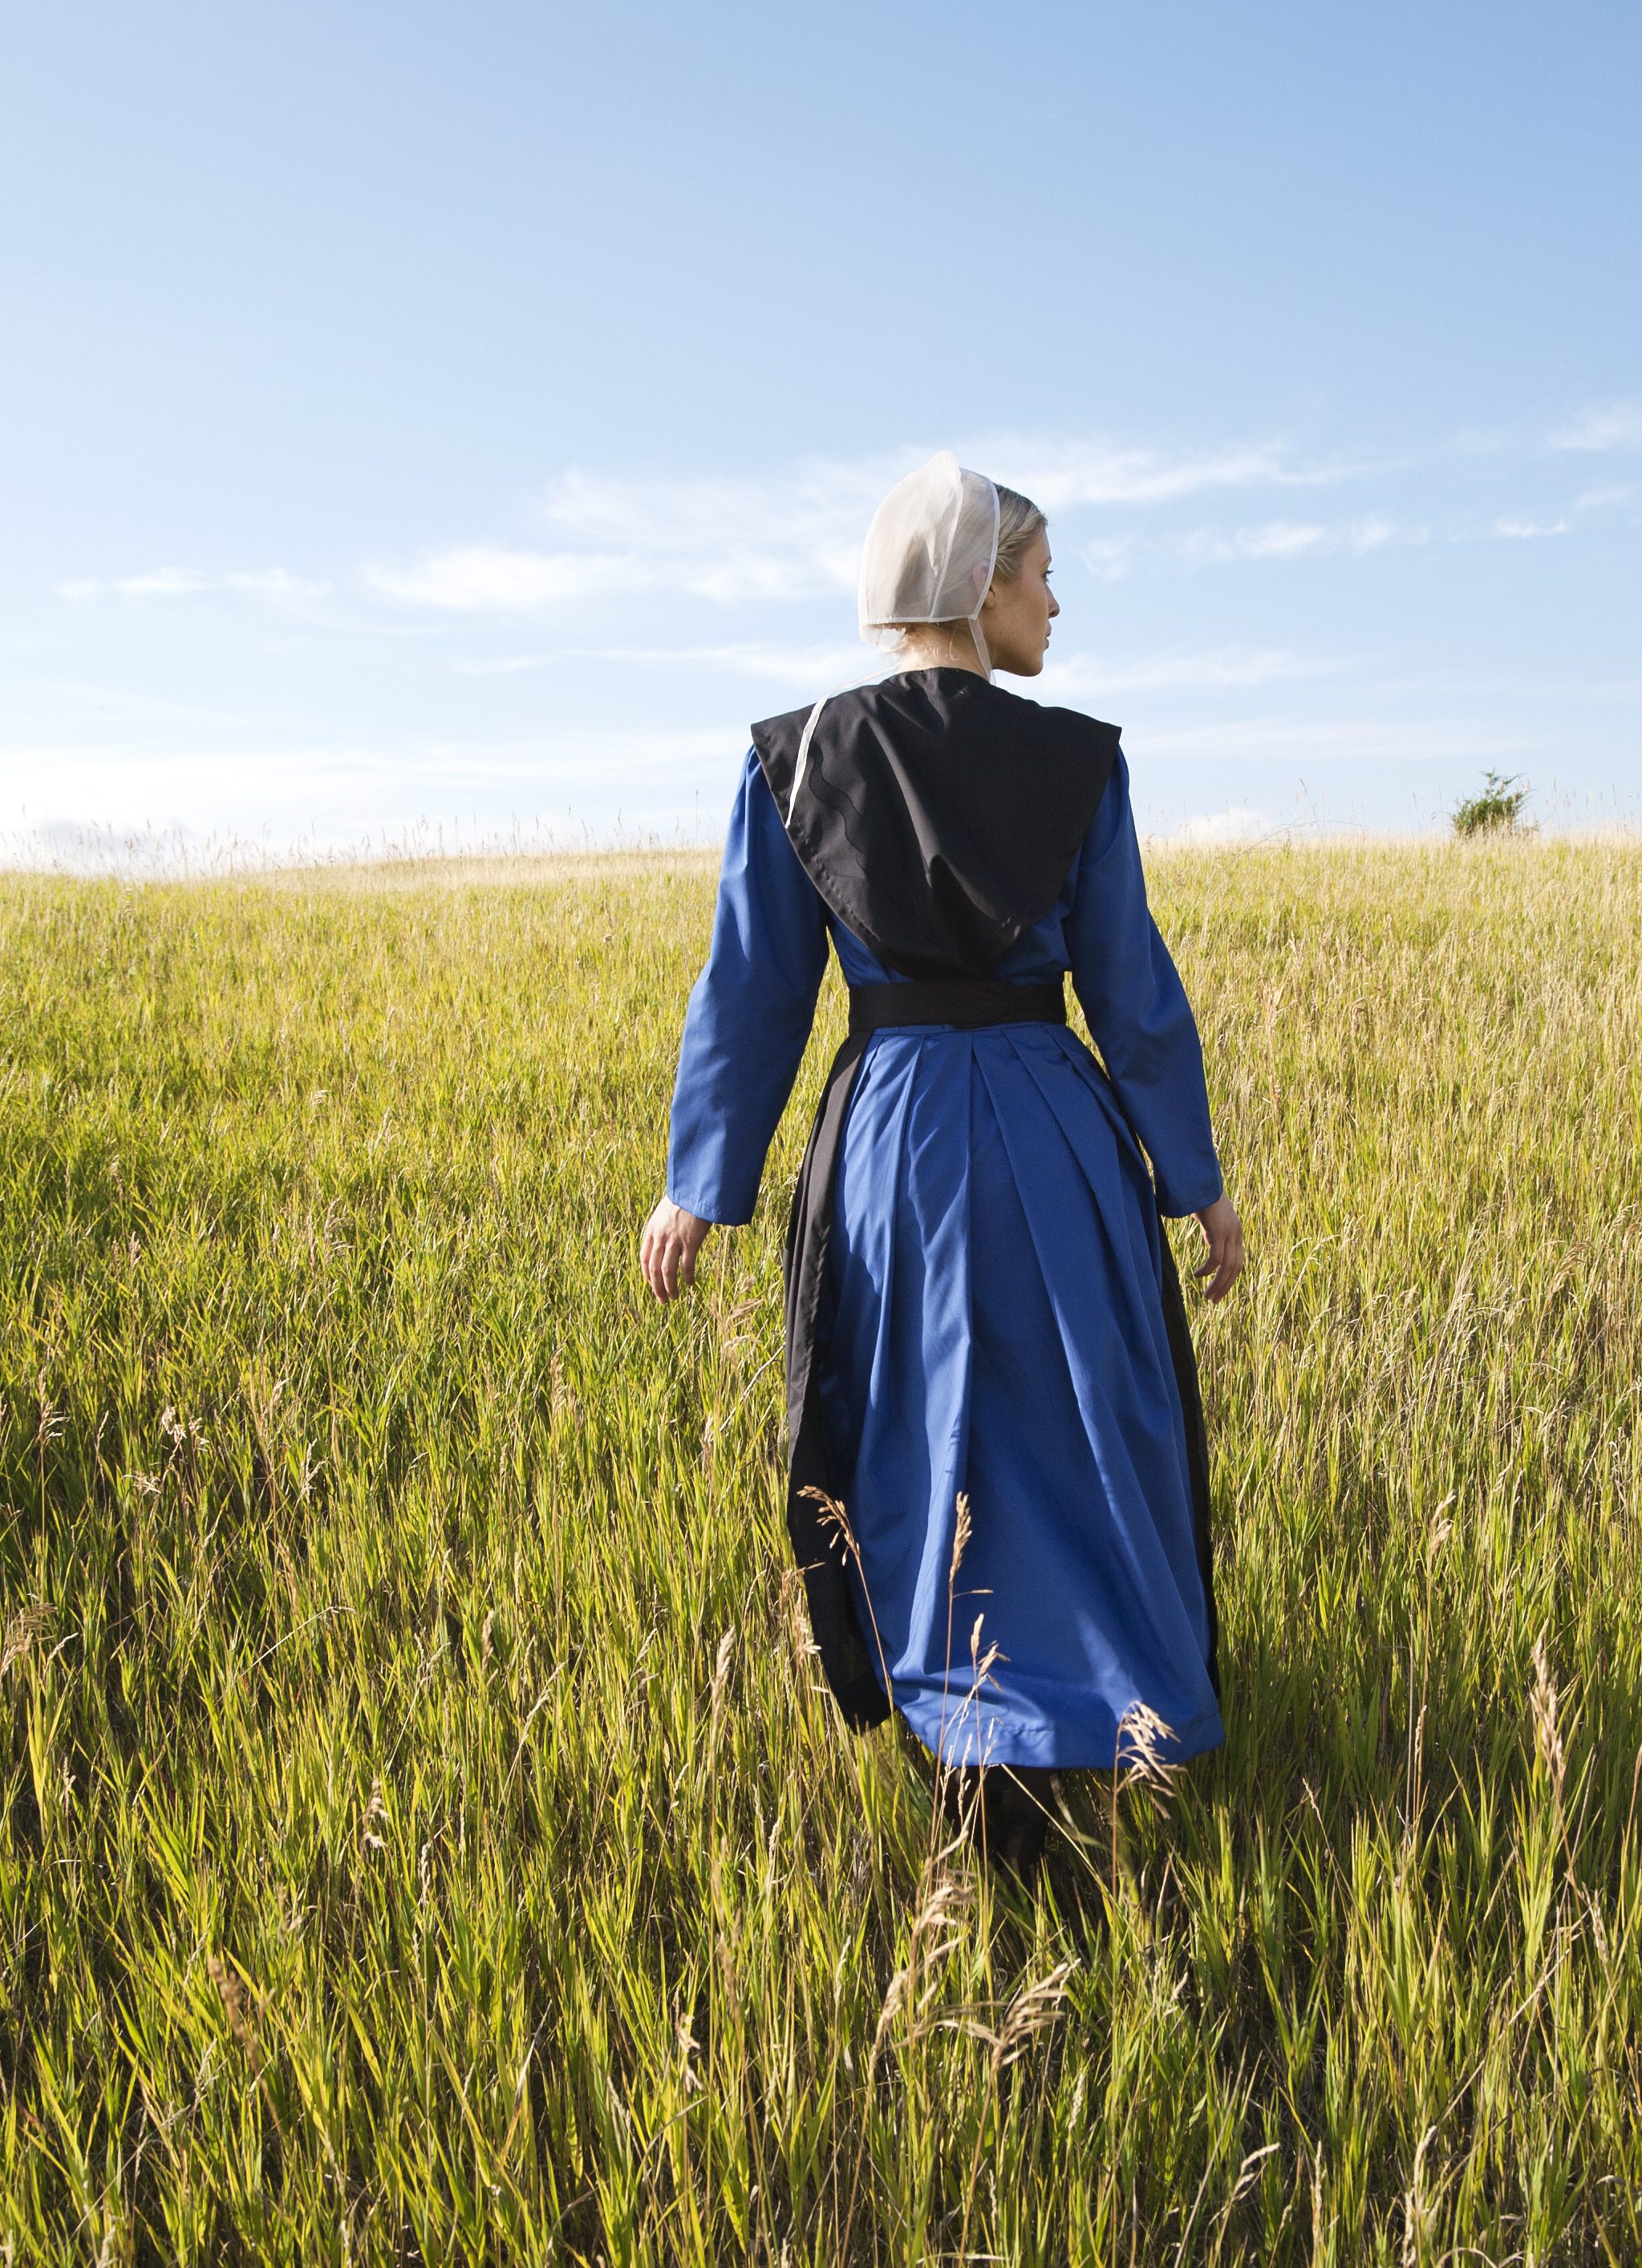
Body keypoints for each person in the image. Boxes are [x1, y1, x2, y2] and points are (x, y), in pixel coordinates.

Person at [642, 452, 1247, 1881]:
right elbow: (1132, 989)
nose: (1057, 603)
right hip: (1054, 1128)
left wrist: (700, 1183)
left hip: (894, 1144)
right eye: (1041, 575)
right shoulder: (1078, 759)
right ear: (980, 590)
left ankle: (963, 1734)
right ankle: (1098, 1726)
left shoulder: (795, 757)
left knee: (922, 1435)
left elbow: (755, 989)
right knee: (1087, 1436)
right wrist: (1193, 1174)